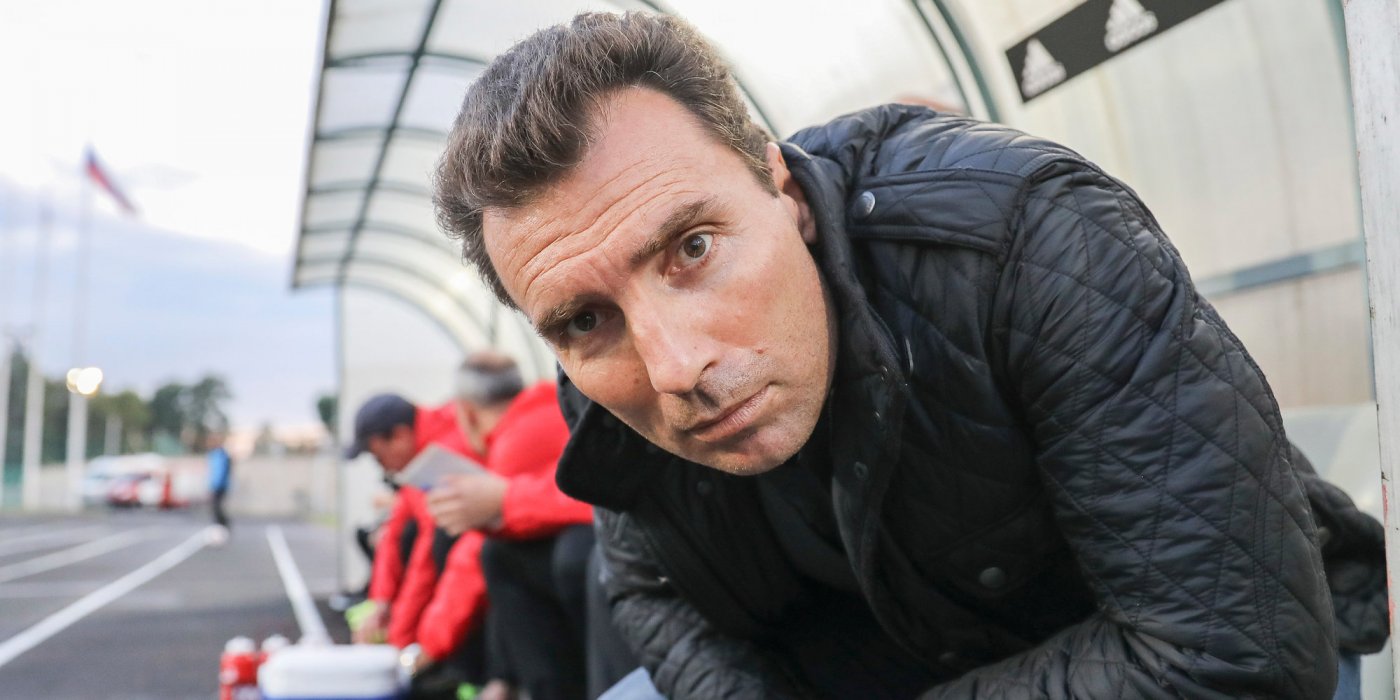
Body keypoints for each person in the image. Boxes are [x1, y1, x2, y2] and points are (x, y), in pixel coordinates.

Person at [431, 12, 1389, 700]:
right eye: (583, 321)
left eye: (693, 248)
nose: (675, 366)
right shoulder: (597, 379)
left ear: (781, 187)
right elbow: (655, 591)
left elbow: (1233, 650)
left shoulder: (1023, 242)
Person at [425, 351, 605, 700]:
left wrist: (428, 645)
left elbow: (470, 559)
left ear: (466, 412)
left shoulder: (516, 439)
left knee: (497, 557)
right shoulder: (546, 408)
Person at [345, 392, 493, 696]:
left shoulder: (444, 456)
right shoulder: (426, 454)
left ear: (399, 436)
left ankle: (477, 674)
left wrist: (404, 647)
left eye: (378, 456)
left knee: (450, 544)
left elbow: (428, 562)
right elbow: (396, 530)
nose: (382, 469)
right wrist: (381, 602)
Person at [206, 435, 232, 540]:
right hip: (216, 485)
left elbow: (220, 472)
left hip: (220, 486)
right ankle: (220, 528)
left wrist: (216, 485)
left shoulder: (221, 455)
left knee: (217, 508)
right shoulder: (213, 455)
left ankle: (224, 527)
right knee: (215, 508)